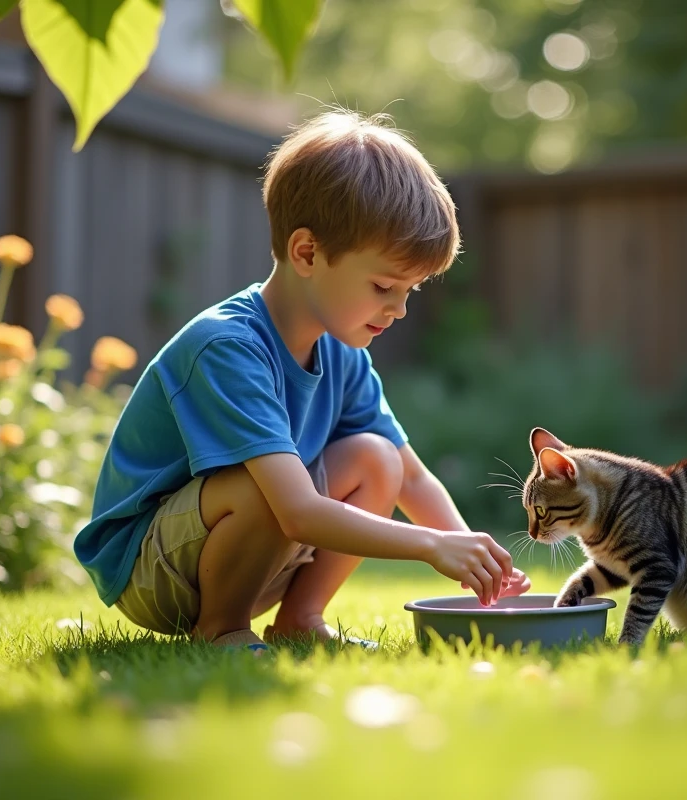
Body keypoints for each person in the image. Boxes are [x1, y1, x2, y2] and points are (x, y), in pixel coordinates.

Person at [74, 111, 531, 653]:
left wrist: (471, 554)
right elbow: (294, 509)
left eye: (411, 290)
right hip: (153, 571)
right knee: (261, 481)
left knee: (376, 457)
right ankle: (221, 629)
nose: (400, 309)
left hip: (253, 551)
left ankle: (300, 619)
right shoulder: (227, 347)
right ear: (307, 253)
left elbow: (407, 476)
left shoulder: (342, 346)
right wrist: (429, 545)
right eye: (385, 284)